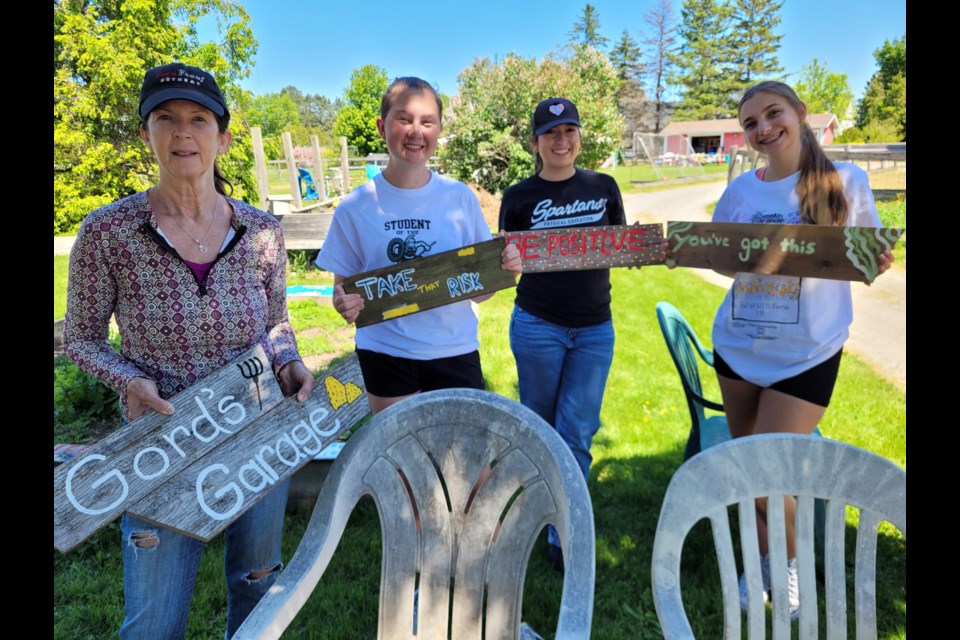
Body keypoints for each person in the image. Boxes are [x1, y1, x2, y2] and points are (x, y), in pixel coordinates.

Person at [63, 62, 314, 640]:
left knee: (256, 584)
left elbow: (276, 321)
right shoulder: (108, 232)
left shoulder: (262, 231)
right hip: (161, 442)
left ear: (222, 137)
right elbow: (81, 337)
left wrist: (288, 361)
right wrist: (129, 380)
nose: (182, 133)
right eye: (166, 118)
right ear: (146, 133)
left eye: (198, 119)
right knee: (154, 618)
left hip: (256, 431)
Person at [708, 81, 894, 618]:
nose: (763, 129)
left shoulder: (844, 182)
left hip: (807, 352)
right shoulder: (742, 191)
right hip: (739, 346)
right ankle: (763, 563)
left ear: (800, 113)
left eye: (773, 114)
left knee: (767, 472)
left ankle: (790, 572)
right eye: (750, 123)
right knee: (753, 470)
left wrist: (873, 265)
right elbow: (721, 261)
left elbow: (863, 263)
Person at [317, 76, 521, 414]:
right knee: (401, 461)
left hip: (454, 350)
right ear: (383, 127)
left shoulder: (459, 198)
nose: (416, 131)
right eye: (404, 118)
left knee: (466, 460)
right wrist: (344, 304)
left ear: (439, 130)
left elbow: (479, 291)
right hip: (385, 354)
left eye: (427, 121)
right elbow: (344, 291)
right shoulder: (355, 206)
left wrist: (502, 269)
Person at [498, 97, 626, 572]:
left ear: (579, 138)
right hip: (538, 325)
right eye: (551, 133)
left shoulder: (603, 186)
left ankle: (562, 529)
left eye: (569, 130)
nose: (561, 140)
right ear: (535, 142)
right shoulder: (518, 196)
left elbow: (620, 245)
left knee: (578, 428)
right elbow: (507, 263)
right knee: (538, 423)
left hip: (594, 327)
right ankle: (534, 512)